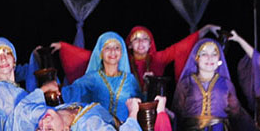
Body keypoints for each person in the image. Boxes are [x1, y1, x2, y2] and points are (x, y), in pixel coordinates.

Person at [54, 25, 215, 86]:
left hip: (153, 108)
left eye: (145, 39)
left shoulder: (158, 59)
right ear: (129, 44)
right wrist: (63, 46)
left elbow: (180, 47)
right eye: (136, 39)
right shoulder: (121, 60)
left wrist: (205, 29)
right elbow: (91, 56)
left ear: (150, 44)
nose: (141, 43)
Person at [171, 38, 252, 131]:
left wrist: (253, 126)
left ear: (219, 59)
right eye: (204, 54)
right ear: (196, 58)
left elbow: (236, 111)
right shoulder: (186, 83)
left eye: (214, 54)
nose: (210, 58)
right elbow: (178, 110)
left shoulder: (226, 84)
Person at [60, 32, 142, 126]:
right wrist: (53, 88)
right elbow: (70, 93)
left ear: (122, 53)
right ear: (100, 53)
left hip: (126, 130)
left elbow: (141, 104)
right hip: (99, 130)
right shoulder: (92, 78)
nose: (112, 51)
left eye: (117, 47)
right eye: (107, 48)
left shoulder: (130, 79)